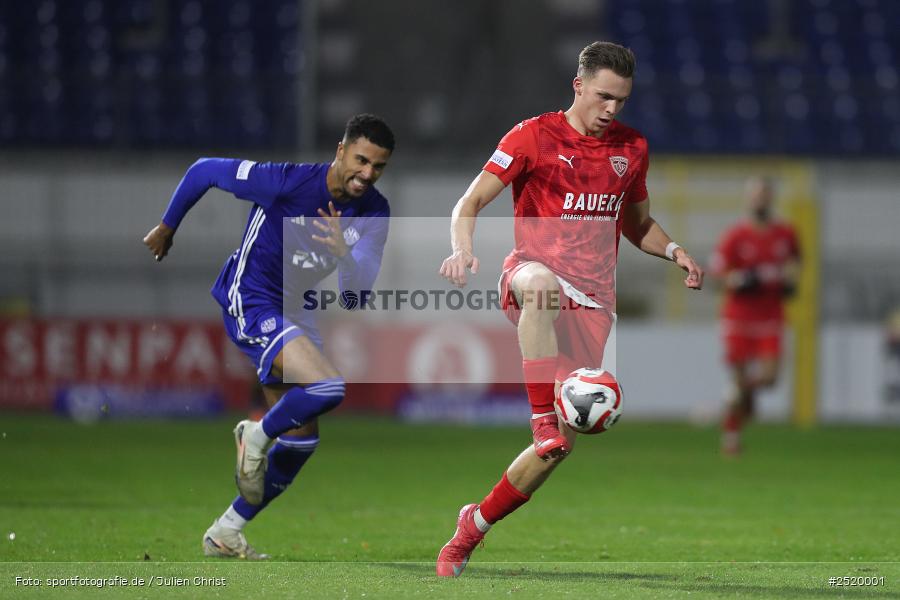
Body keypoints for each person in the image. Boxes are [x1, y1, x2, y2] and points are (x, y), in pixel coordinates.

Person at [435, 41, 704, 577]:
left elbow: (636, 223)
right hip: (532, 275)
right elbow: (469, 202)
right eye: (604, 96)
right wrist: (463, 248)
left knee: (557, 451)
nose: (612, 109)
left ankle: (472, 528)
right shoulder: (532, 136)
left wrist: (675, 251)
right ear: (578, 86)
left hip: (594, 306)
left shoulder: (632, 148)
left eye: (621, 101)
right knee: (539, 285)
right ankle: (540, 417)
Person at [142, 114, 395, 559]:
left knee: (302, 440)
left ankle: (226, 531)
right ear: (340, 151)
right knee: (329, 386)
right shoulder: (284, 182)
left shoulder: (374, 211)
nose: (367, 174)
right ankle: (255, 435)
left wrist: (345, 256)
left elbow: (355, 295)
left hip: (296, 311)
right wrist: (168, 225)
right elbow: (204, 169)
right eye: (361, 160)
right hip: (252, 298)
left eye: (378, 167)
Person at [710, 177, 800, 455]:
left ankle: (736, 396)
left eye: (765, 194)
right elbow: (717, 277)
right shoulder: (735, 236)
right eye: (756, 195)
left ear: (771, 198)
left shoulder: (786, 235)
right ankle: (732, 437)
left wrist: (789, 282)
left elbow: (794, 268)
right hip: (739, 317)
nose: (760, 200)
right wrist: (739, 279)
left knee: (770, 378)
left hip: (770, 316)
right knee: (739, 375)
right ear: (748, 199)